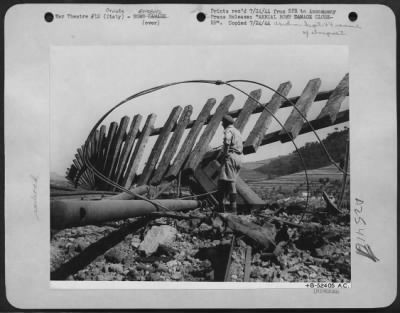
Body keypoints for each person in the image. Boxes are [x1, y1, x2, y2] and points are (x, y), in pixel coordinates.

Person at [217, 114, 243, 214]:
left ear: (225, 123)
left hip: (230, 157)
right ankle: (230, 208)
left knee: (226, 182)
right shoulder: (238, 132)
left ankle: (231, 210)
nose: (222, 124)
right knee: (229, 180)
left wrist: (225, 154)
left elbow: (227, 141)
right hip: (238, 157)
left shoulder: (228, 130)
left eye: (223, 123)